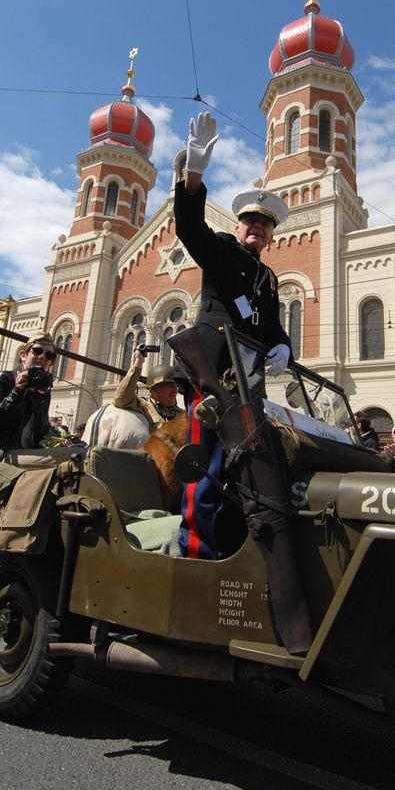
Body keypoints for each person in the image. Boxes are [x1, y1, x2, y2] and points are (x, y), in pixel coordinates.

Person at [174, 111, 292, 561]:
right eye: (249, 221)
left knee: (241, 466)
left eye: (265, 224)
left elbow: (274, 325)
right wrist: (194, 173)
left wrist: (284, 345)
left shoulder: (269, 279)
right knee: (205, 464)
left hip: (248, 383)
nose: (256, 228)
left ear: (270, 234)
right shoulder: (222, 251)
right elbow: (190, 229)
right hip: (211, 373)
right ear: (238, 225)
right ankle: (197, 553)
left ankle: (229, 546)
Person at [0, 331, 56, 453]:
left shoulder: (44, 390)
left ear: (51, 363)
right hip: (2, 452)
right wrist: (17, 391)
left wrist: (60, 439)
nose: (42, 357)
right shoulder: (4, 378)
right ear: (23, 355)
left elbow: (41, 430)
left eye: (49, 355)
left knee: (78, 453)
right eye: (37, 351)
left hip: (30, 452)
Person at [113, 347, 184, 431]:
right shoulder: (143, 407)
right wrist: (138, 362)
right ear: (155, 389)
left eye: (176, 386)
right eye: (170, 386)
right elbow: (121, 399)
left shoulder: (181, 414)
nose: (175, 391)